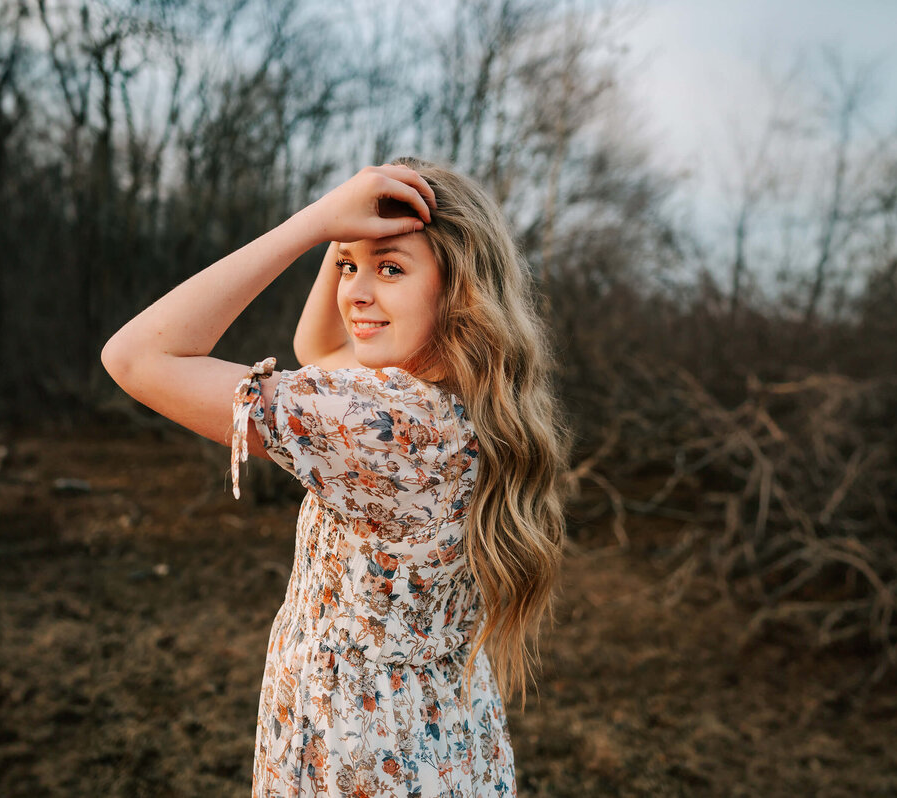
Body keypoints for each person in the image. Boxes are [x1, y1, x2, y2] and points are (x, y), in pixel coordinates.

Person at [101, 158, 569, 796]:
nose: (355, 291)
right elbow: (319, 348)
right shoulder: (461, 398)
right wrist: (346, 237)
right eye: (349, 266)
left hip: (357, 759)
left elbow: (134, 355)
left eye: (392, 268)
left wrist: (315, 221)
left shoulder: (384, 422)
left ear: (458, 290)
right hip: (440, 752)